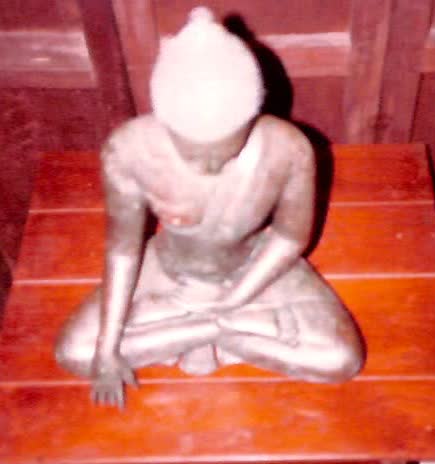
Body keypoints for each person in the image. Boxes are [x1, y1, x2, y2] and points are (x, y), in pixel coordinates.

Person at [55, 7, 365, 408]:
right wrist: (108, 347)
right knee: (77, 352)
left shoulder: (287, 148)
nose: (212, 168)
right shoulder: (129, 149)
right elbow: (123, 250)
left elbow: (289, 238)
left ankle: (195, 331)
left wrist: (234, 296)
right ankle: (221, 332)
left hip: (252, 267)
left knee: (341, 359)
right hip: (169, 268)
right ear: (165, 125)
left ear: (251, 119)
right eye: (195, 155)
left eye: (226, 152)